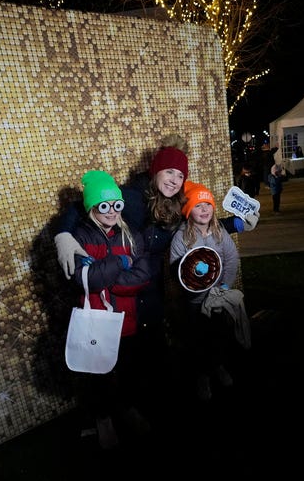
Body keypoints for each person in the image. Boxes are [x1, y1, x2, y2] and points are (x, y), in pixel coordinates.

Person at [54, 141, 258, 412]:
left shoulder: (178, 202)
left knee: (147, 352)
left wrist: (237, 224)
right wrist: (64, 234)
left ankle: (147, 408)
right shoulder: (131, 195)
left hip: (152, 290)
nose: (174, 180)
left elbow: (202, 222)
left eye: (180, 175)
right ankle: (108, 414)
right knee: (108, 356)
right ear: (156, 171)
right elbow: (84, 206)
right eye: (169, 172)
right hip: (118, 288)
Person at [70, 170, 152, 449]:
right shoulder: (79, 237)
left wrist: (105, 276)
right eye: (104, 206)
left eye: (117, 204)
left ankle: (127, 409)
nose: (112, 212)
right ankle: (103, 419)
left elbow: (142, 276)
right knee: (99, 377)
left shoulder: (132, 234)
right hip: (96, 321)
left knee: (129, 370)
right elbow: (87, 281)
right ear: (93, 207)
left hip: (126, 318)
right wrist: (119, 263)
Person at [169, 183, 241, 401]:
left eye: (207, 205)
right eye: (198, 205)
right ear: (189, 210)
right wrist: (191, 276)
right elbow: (175, 269)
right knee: (198, 341)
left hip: (218, 297)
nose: (204, 210)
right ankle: (202, 376)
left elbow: (231, 258)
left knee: (218, 336)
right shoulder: (181, 237)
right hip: (195, 302)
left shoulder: (219, 231)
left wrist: (224, 286)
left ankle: (218, 366)